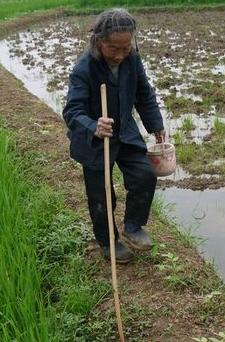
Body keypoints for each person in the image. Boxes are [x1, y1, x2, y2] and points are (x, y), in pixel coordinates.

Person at [63, 8, 165, 264]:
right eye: (112, 48)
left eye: (126, 47)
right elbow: (72, 111)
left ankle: (133, 226)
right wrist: (93, 125)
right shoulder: (84, 69)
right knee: (101, 195)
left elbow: (144, 92)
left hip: (125, 131)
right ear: (98, 42)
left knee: (145, 175)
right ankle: (108, 242)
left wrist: (155, 124)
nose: (120, 55)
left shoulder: (132, 59)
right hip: (94, 139)